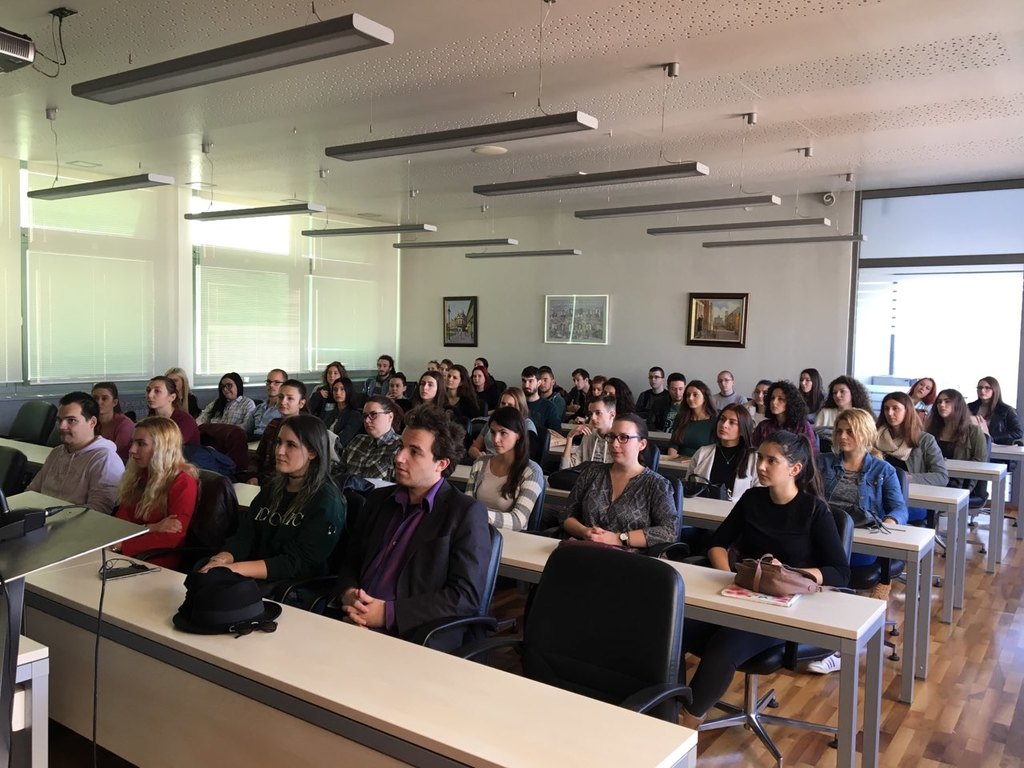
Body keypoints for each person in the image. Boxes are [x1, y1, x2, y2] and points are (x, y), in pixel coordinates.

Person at [680, 431, 850, 729]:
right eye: (760, 458)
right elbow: (717, 544)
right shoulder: (752, 499)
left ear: (795, 469)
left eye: (772, 461)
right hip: (742, 595)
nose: (761, 466)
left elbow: (840, 571)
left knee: (724, 646)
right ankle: (670, 706)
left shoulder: (814, 510)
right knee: (676, 629)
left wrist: (791, 575)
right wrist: (728, 575)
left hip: (784, 610)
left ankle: (686, 723)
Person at [330, 405, 491, 648]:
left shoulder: (465, 513)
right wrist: (349, 593)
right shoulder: (378, 499)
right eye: (400, 447)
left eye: (414, 452)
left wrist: (387, 614)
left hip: (413, 636)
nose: (399, 457)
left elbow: (465, 596)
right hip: (353, 620)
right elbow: (351, 560)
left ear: (441, 464)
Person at [201, 415, 345, 584]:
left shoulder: (327, 500)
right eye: (278, 442)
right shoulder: (272, 487)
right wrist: (222, 559)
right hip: (257, 575)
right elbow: (246, 535)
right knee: (203, 572)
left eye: (291, 445)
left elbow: (296, 563)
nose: (279, 451)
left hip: (293, 585)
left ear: (312, 452)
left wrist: (233, 569)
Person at [559, 414, 678, 548]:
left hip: (629, 557)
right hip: (586, 550)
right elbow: (566, 514)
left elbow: (669, 531)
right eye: (611, 437)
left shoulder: (656, 484)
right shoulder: (591, 473)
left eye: (623, 438)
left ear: (642, 444)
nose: (614, 444)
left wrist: (619, 538)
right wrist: (584, 531)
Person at [113, 416, 200, 569]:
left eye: (141, 444)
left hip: (153, 559)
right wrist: (152, 527)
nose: (132, 450)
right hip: (121, 553)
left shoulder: (183, 481)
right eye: (133, 442)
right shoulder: (139, 475)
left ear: (162, 448)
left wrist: (122, 545)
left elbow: (172, 536)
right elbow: (121, 524)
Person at [28, 392, 124, 514]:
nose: (62, 426)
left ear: (92, 422)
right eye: (59, 420)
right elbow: (32, 491)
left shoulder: (104, 459)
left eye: (71, 420)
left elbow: (99, 511)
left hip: (73, 523)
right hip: (42, 518)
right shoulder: (57, 452)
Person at [465, 407, 544, 531]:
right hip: (475, 531)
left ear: (518, 435)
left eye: (503, 433)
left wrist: (480, 515)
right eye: (493, 432)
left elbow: (519, 520)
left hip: (509, 536)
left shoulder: (532, 471)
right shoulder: (480, 463)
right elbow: (468, 505)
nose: (496, 439)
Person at [686, 404, 759, 501]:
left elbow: (759, 494)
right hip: (701, 507)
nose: (724, 425)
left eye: (732, 422)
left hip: (739, 509)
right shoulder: (702, 453)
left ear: (742, 430)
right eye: (722, 419)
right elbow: (688, 486)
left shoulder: (754, 458)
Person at [875, 392, 948, 486]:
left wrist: (907, 478)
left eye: (895, 408)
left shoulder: (926, 440)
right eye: (886, 408)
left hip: (910, 491)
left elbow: (941, 477)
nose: (889, 413)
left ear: (907, 411)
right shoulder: (875, 437)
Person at [927, 389, 989, 496]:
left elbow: (979, 463)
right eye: (939, 402)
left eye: (947, 401)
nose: (942, 405)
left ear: (958, 405)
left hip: (960, 482)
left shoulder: (973, 431)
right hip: (934, 480)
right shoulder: (931, 430)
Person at [246, 380, 307, 485]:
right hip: (263, 480)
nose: (283, 402)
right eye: (280, 397)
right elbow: (258, 456)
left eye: (290, 398)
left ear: (301, 403)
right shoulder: (273, 424)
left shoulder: (306, 429)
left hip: (286, 482)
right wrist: (253, 475)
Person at [336, 397, 402, 481]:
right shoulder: (358, 440)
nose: (367, 420)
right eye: (365, 416)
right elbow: (338, 471)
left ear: (390, 417)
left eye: (373, 414)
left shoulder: (399, 447)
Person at [467, 387, 537, 460]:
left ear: (519, 406)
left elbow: (527, 454)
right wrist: (479, 455)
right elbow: (473, 448)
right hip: (487, 461)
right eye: (503, 404)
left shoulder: (527, 424)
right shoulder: (493, 422)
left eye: (510, 405)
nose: (505, 407)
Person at [751, 380, 817, 450]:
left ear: (790, 402)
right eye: (772, 398)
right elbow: (752, 450)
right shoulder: (763, 426)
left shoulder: (802, 426)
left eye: (780, 399)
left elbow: (811, 452)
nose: (774, 402)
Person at [559, 394, 616, 468]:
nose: (593, 417)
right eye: (591, 414)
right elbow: (565, 468)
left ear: (612, 414)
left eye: (598, 413)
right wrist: (570, 437)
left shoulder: (618, 440)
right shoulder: (588, 435)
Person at [665, 380, 717, 459]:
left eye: (695, 395)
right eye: (688, 395)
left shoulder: (715, 421)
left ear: (705, 397)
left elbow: (714, 451)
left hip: (702, 463)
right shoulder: (680, 418)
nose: (690, 398)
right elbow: (673, 444)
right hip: (679, 461)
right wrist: (672, 460)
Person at [196, 372, 256, 437]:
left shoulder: (248, 403)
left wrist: (225, 430)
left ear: (238, 385)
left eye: (229, 385)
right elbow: (200, 420)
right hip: (211, 438)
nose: (225, 389)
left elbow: (247, 427)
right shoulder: (215, 403)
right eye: (223, 386)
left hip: (233, 438)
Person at [146, 375, 200, 446]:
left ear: (172, 397)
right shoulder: (151, 418)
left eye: (157, 391)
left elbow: (167, 447)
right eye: (148, 390)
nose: (150, 395)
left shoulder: (185, 420)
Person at [968, 376, 1023, 445]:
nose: (982, 390)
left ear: (995, 390)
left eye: (987, 388)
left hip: (997, 447)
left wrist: (993, 438)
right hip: (972, 445)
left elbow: (1018, 432)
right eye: (980, 387)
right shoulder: (970, 407)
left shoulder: (1006, 410)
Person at [92, 381, 134, 462]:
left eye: (104, 398)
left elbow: (114, 454)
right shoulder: (90, 422)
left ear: (114, 402)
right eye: (95, 398)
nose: (99, 402)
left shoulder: (125, 424)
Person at [323, 377, 363, 450]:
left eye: (342, 389)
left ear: (348, 391)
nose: (338, 393)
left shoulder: (355, 415)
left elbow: (342, 441)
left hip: (341, 451)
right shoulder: (331, 412)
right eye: (335, 389)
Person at [521, 366, 561, 432]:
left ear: (539, 383)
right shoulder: (517, 404)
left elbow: (556, 434)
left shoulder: (550, 407)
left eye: (530, 381)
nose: (526, 385)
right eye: (524, 381)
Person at [253, 368, 287, 437]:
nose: (271, 385)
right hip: (253, 439)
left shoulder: (284, 409)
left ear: (285, 385)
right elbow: (245, 428)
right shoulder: (259, 407)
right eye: (268, 382)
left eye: (276, 382)